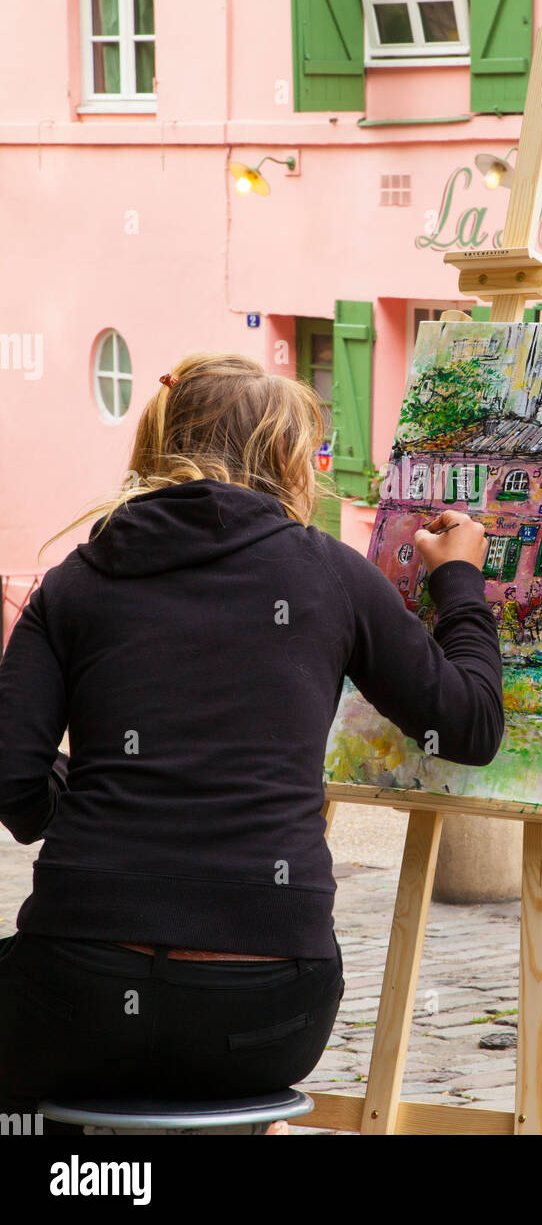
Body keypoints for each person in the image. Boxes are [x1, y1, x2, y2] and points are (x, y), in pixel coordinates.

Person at [0, 352, 504, 1134]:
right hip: (268, 1011)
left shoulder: (76, 581)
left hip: (76, 994)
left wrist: (92, 803)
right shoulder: (330, 576)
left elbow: (14, 784)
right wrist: (460, 581)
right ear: (283, 460)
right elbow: (470, 725)